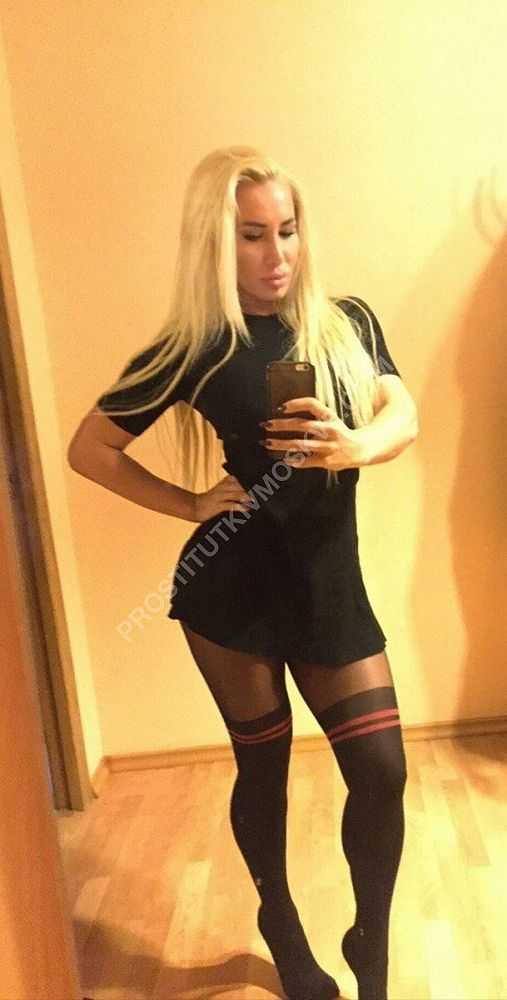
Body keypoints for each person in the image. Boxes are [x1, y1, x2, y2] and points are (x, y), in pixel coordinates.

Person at [68, 145, 418, 1000]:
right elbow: (90, 449)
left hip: (329, 591)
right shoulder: (193, 348)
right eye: (251, 235)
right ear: (215, 244)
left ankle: (369, 948)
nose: (276, 254)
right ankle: (281, 925)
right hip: (231, 598)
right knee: (263, 770)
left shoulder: (346, 323)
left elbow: (401, 411)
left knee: (381, 773)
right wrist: (190, 503)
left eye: (286, 230)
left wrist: (355, 445)